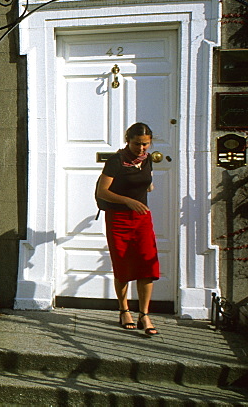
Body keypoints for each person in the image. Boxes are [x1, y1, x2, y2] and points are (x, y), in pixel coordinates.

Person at [95, 122, 160, 336]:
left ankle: (144, 314)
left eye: (145, 145)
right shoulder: (116, 161)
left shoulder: (147, 159)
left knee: (147, 263)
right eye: (137, 144)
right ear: (127, 140)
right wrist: (128, 201)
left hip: (142, 218)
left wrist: (146, 186)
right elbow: (103, 191)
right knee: (122, 264)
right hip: (119, 218)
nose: (141, 149)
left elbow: (147, 182)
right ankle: (124, 310)